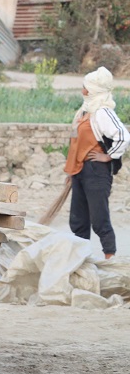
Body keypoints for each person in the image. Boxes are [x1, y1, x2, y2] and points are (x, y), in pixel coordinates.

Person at [64, 66, 127, 259]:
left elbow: (123, 136)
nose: (83, 91)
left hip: (96, 172)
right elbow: (76, 143)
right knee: (78, 220)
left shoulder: (102, 112)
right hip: (80, 171)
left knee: (99, 220)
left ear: (94, 91)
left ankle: (110, 257)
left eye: (86, 87)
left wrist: (108, 156)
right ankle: (81, 260)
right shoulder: (84, 112)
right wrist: (71, 170)